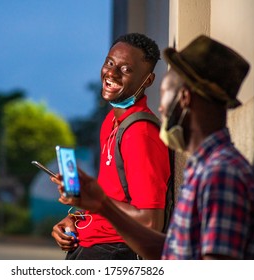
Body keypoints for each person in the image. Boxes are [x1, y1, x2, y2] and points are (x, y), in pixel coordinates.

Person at [53, 35, 254, 260]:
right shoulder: (203, 167)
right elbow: (176, 253)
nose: (161, 108)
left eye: (164, 94)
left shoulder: (221, 174)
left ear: (183, 98)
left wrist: (103, 205)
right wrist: (98, 206)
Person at [51, 33, 171, 260]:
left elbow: (150, 222)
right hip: (90, 244)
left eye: (126, 70)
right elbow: (112, 198)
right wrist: (76, 218)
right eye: (110, 63)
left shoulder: (140, 133)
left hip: (114, 252)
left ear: (148, 81)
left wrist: (97, 202)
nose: (112, 73)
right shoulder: (111, 122)